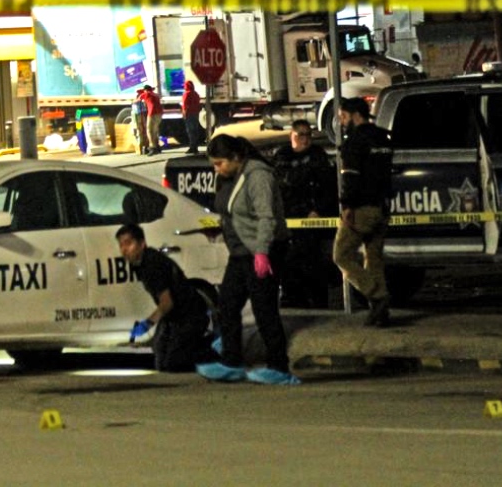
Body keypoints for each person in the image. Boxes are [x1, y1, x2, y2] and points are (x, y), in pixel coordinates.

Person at [196, 134, 299, 385]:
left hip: (262, 251)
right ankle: (232, 361)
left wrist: (263, 252)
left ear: (235, 158)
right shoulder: (230, 178)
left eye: (219, 163)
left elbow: (267, 217)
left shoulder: (258, 176)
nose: (216, 169)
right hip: (241, 252)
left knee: (265, 310)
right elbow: (234, 214)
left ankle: (279, 367)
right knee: (228, 305)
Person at [117, 223, 213, 372]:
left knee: (174, 364)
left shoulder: (151, 264)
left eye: (128, 244)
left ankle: (214, 351)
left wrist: (147, 324)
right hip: (174, 317)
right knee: (161, 360)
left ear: (142, 244)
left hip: (190, 316)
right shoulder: (140, 263)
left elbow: (167, 303)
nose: (124, 250)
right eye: (121, 245)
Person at [333, 96, 395, 327]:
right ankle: (380, 314)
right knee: (374, 259)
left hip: (361, 208)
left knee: (341, 255)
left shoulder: (355, 142)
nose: (341, 122)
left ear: (355, 115)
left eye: (343, 117)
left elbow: (351, 177)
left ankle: (377, 296)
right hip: (382, 206)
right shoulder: (383, 138)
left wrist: (347, 206)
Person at [272, 119, 338, 308]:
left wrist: (318, 209)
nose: (305, 139)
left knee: (315, 263)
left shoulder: (318, 155)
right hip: (291, 221)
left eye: (308, 134)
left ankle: (318, 300)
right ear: (291, 136)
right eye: (300, 134)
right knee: (291, 263)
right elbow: (285, 185)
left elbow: (327, 186)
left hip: (315, 221)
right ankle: (293, 299)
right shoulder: (282, 156)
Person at [181, 80, 204, 154]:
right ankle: (195, 147)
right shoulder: (196, 94)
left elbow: (184, 105)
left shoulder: (186, 94)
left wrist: (184, 114)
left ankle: (192, 147)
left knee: (190, 131)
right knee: (195, 130)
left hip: (189, 114)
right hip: (195, 114)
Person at [140, 84, 164, 154]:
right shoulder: (155, 95)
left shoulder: (146, 94)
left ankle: (153, 147)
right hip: (159, 113)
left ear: (145, 90)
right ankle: (157, 146)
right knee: (155, 130)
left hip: (152, 113)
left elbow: (138, 99)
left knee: (149, 130)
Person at [130, 87, 150, 154]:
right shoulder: (137, 101)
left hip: (142, 116)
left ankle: (145, 148)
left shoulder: (142, 100)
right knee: (140, 132)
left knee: (144, 132)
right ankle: (141, 149)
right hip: (138, 116)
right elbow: (134, 103)